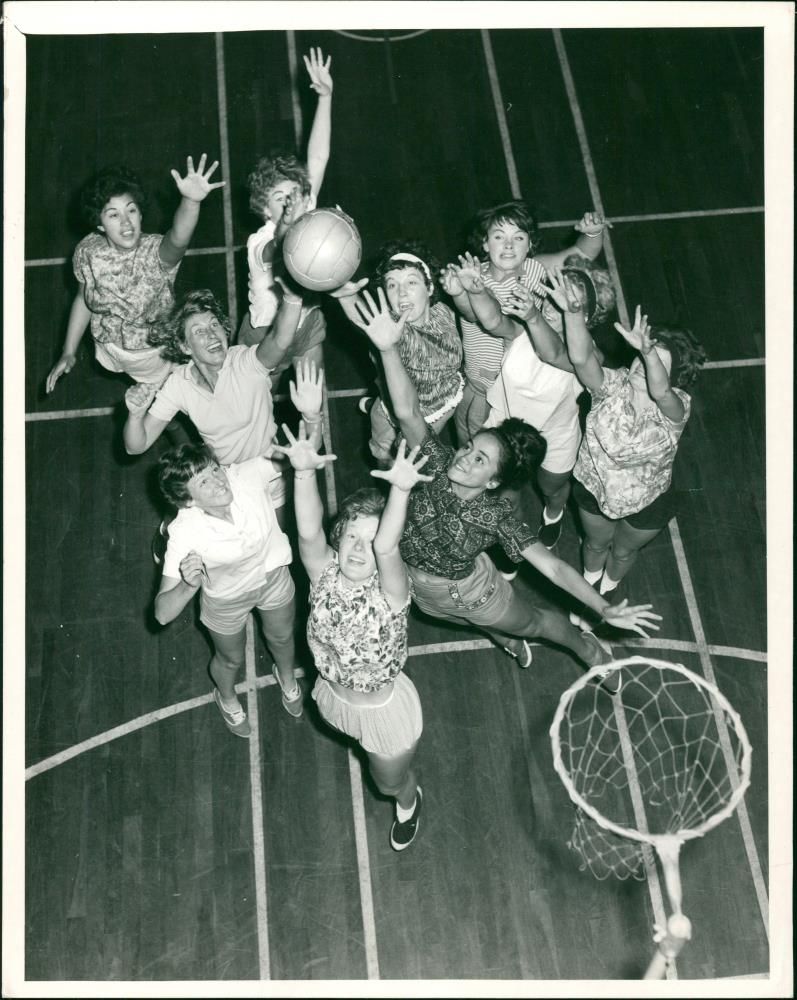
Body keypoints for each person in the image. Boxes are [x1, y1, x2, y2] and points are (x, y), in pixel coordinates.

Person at [344, 287, 662, 683]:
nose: (464, 455)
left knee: (534, 624)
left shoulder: (494, 517)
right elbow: (407, 411)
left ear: (493, 480)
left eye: (480, 459)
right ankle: (501, 637)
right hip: (414, 586)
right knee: (459, 619)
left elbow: (554, 568)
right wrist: (388, 349)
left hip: (470, 592)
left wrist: (603, 608)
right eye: (470, 447)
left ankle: (588, 650)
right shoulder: (435, 463)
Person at [272, 362, 430, 851]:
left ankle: (410, 800)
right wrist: (303, 467)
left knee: (387, 783)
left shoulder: (391, 591)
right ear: (339, 543)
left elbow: (386, 548)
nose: (362, 548)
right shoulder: (322, 574)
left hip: (384, 712)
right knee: (357, 749)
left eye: (373, 536)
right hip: (335, 697)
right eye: (352, 536)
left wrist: (400, 490)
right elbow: (308, 530)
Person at [550, 270, 706, 616]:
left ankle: (609, 587)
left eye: (653, 364)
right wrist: (572, 313)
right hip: (594, 487)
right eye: (640, 357)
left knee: (621, 552)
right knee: (594, 543)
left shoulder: (674, 410)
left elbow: (662, 390)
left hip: (648, 501)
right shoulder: (612, 386)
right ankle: (589, 588)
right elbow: (580, 359)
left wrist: (650, 353)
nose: (641, 364)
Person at [153, 442, 302, 738]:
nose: (218, 481)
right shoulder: (184, 532)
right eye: (204, 481)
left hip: (273, 578)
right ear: (188, 501)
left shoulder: (245, 476)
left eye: (214, 469)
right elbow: (161, 614)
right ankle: (227, 697)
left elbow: (301, 451)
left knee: (283, 638)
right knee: (230, 660)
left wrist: (310, 420)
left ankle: (286, 677)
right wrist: (187, 585)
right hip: (226, 599)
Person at [468, 253, 616, 548]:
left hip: (555, 435)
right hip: (504, 427)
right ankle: (509, 543)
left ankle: (553, 513)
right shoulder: (525, 325)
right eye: (550, 295)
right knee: (504, 491)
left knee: (553, 488)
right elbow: (492, 319)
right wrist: (475, 288)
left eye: (563, 302)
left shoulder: (590, 356)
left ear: (584, 316)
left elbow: (553, 354)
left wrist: (534, 317)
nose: (550, 305)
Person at [123, 286, 306, 521]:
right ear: (184, 347)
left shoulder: (245, 363)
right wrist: (136, 415)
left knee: (278, 545)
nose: (211, 335)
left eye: (214, 324)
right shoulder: (180, 383)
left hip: (273, 473)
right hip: (227, 484)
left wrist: (292, 298)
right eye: (198, 331)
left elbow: (279, 339)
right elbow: (135, 446)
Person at [45, 155, 225, 395]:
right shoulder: (87, 251)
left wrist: (191, 201)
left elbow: (179, 238)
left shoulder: (156, 254)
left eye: (131, 210)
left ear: (141, 214)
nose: (126, 222)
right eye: (113, 215)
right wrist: (68, 350)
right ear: (99, 223)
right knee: (150, 399)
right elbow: (83, 298)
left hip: (155, 352)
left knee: (173, 398)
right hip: (112, 347)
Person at [444, 200, 611, 446]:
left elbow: (583, 253)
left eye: (518, 238)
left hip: (513, 381)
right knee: (466, 432)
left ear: (530, 244)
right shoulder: (472, 276)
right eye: (499, 236)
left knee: (487, 444)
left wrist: (593, 232)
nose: (509, 244)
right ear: (484, 243)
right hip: (479, 380)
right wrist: (458, 292)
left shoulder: (537, 268)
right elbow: (471, 314)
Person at [238, 47, 334, 383]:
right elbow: (279, 247)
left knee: (313, 402)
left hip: (307, 322)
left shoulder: (304, 209)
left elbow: (318, 156)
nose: (290, 201)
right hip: (266, 332)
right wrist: (290, 220)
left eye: (294, 193)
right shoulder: (260, 242)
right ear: (265, 209)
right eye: (280, 198)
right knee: (258, 405)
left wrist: (325, 97)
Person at [347, 240, 464, 466]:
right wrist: (343, 296)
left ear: (429, 288)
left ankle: (372, 404)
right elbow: (362, 318)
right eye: (392, 285)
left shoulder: (443, 311)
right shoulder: (393, 331)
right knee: (391, 459)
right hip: (401, 415)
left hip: (445, 401)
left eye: (411, 282)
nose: (402, 293)